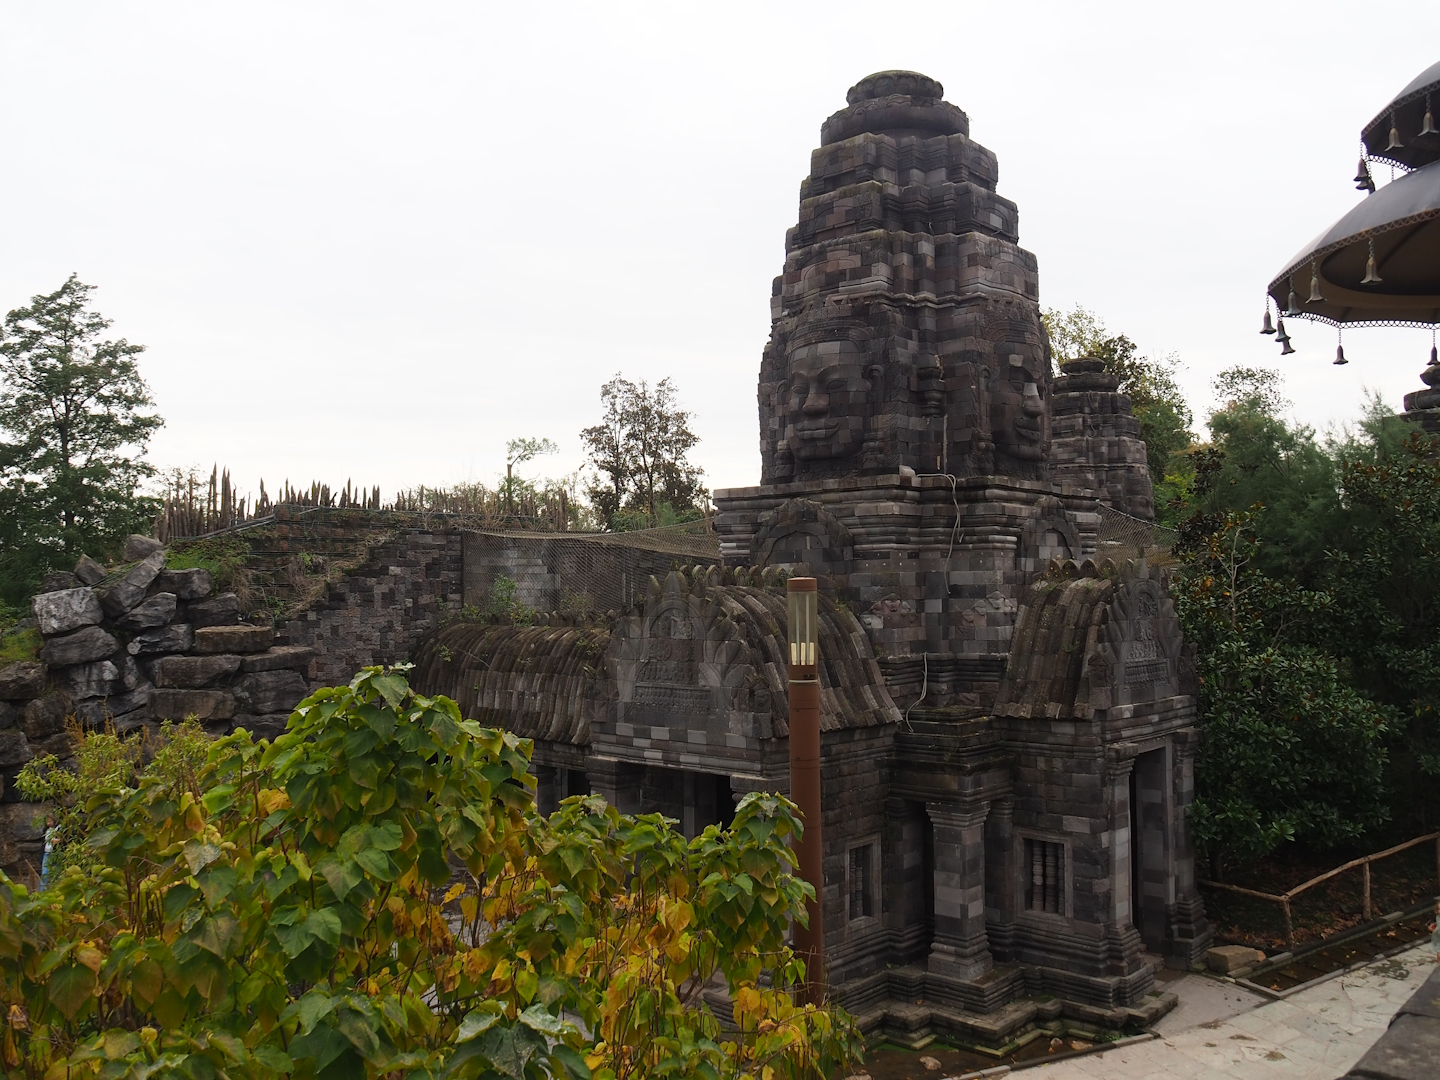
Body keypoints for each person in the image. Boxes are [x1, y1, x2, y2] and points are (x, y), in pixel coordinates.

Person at [39, 815, 57, 889]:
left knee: (56, 873)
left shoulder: (58, 829)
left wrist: (54, 840)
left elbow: (60, 840)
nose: (48, 823)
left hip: (55, 853)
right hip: (46, 853)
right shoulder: (46, 830)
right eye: (47, 821)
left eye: (50, 821)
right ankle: (42, 891)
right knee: (44, 873)